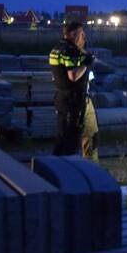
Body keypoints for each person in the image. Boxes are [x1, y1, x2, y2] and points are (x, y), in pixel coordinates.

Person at [49, 21, 96, 156]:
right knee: (71, 140)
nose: (84, 37)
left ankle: (54, 168)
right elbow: (73, 75)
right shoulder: (70, 51)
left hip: (61, 98)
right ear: (73, 34)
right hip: (72, 101)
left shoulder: (57, 48)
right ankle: (68, 171)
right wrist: (86, 63)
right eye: (82, 34)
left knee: (61, 137)